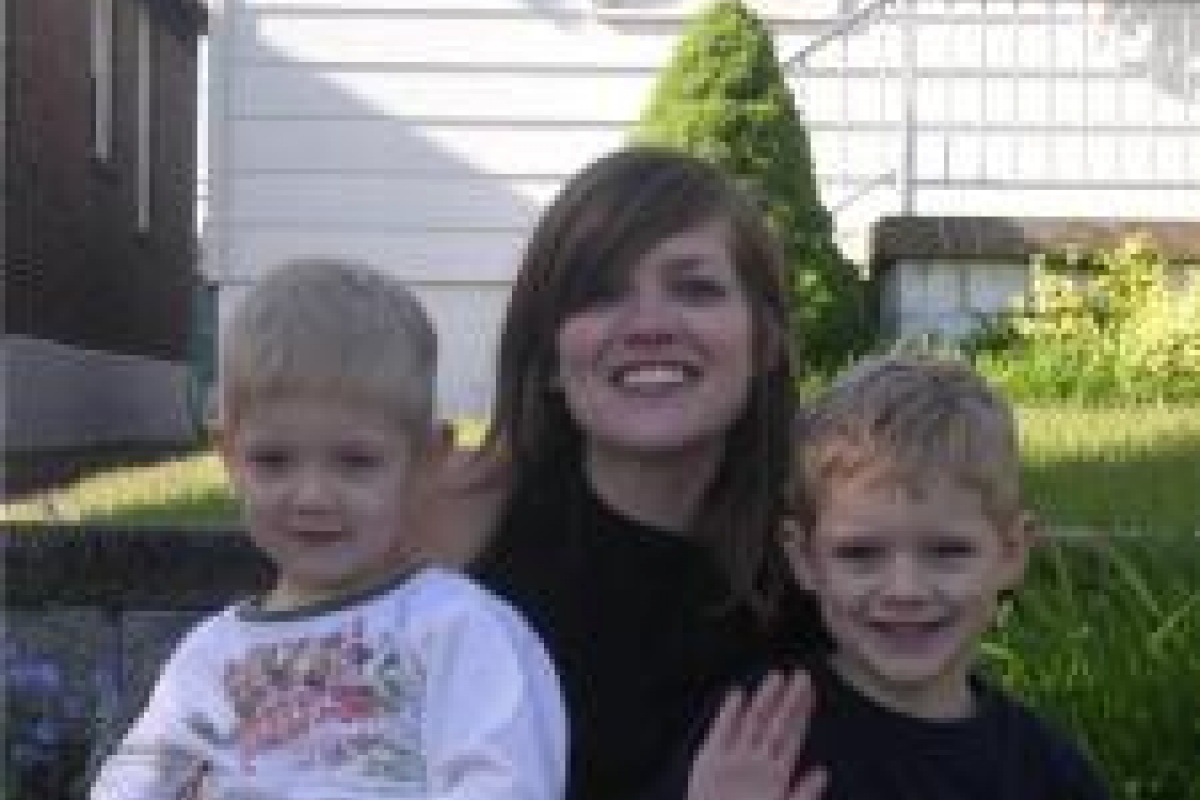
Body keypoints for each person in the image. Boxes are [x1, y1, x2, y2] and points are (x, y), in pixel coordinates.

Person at [421, 145, 829, 800]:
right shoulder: (454, 532)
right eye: (600, 294)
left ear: (767, 341)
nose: (649, 326)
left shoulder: (831, 568)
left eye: (695, 289)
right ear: (548, 354)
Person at [90, 258, 566, 800]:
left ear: (425, 462)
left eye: (355, 461)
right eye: (273, 460)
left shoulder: (460, 632)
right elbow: (133, 778)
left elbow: (506, 783)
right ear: (229, 459)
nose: (312, 496)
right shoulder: (209, 656)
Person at [683, 354, 1110, 800]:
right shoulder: (754, 738)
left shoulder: (1046, 772)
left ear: (1011, 553)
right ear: (804, 559)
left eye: (947, 552)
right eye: (860, 554)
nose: (904, 590)